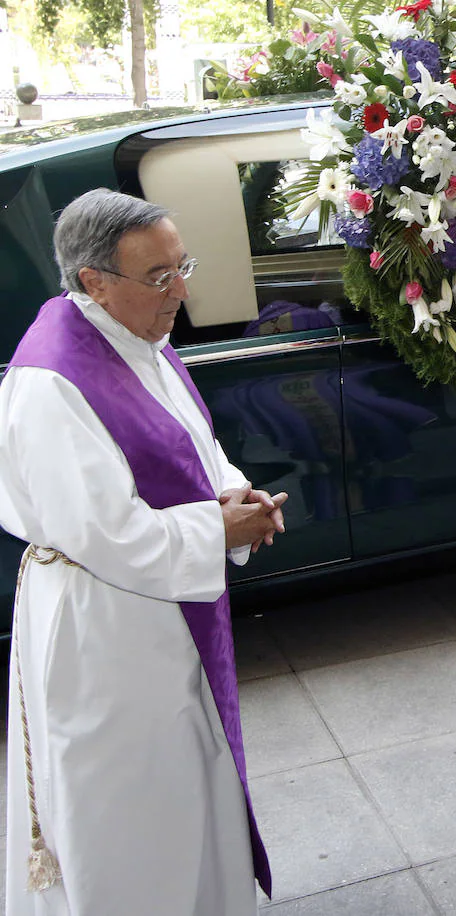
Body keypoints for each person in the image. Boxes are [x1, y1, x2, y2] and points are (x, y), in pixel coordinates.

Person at [0, 189, 283, 914]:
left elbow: (190, 442)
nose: (181, 291)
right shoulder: (51, 382)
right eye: (159, 277)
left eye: (180, 265)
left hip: (159, 617)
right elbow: (106, 534)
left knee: (188, 783)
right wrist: (218, 531)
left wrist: (234, 493)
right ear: (94, 282)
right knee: (130, 808)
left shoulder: (134, 336)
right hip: (104, 631)